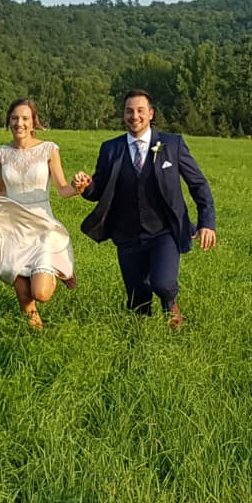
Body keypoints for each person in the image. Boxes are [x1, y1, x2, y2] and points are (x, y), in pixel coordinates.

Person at [71, 89, 216, 330]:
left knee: (163, 283)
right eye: (129, 111)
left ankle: (171, 305)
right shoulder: (111, 149)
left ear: (151, 114)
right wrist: (86, 187)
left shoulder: (172, 144)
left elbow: (198, 184)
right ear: (123, 115)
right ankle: (141, 345)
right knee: (138, 304)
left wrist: (207, 222)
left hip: (165, 231)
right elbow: (98, 190)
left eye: (140, 110)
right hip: (127, 234)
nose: (134, 116)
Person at [0, 98, 81, 330]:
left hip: (42, 226)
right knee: (22, 291)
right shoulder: (1, 153)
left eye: (25, 118)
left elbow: (63, 189)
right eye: (15, 118)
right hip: (13, 227)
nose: (19, 123)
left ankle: (59, 269)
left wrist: (78, 187)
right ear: (8, 121)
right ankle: (35, 332)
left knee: (40, 293)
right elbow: (0, 190)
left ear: (33, 122)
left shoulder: (48, 149)